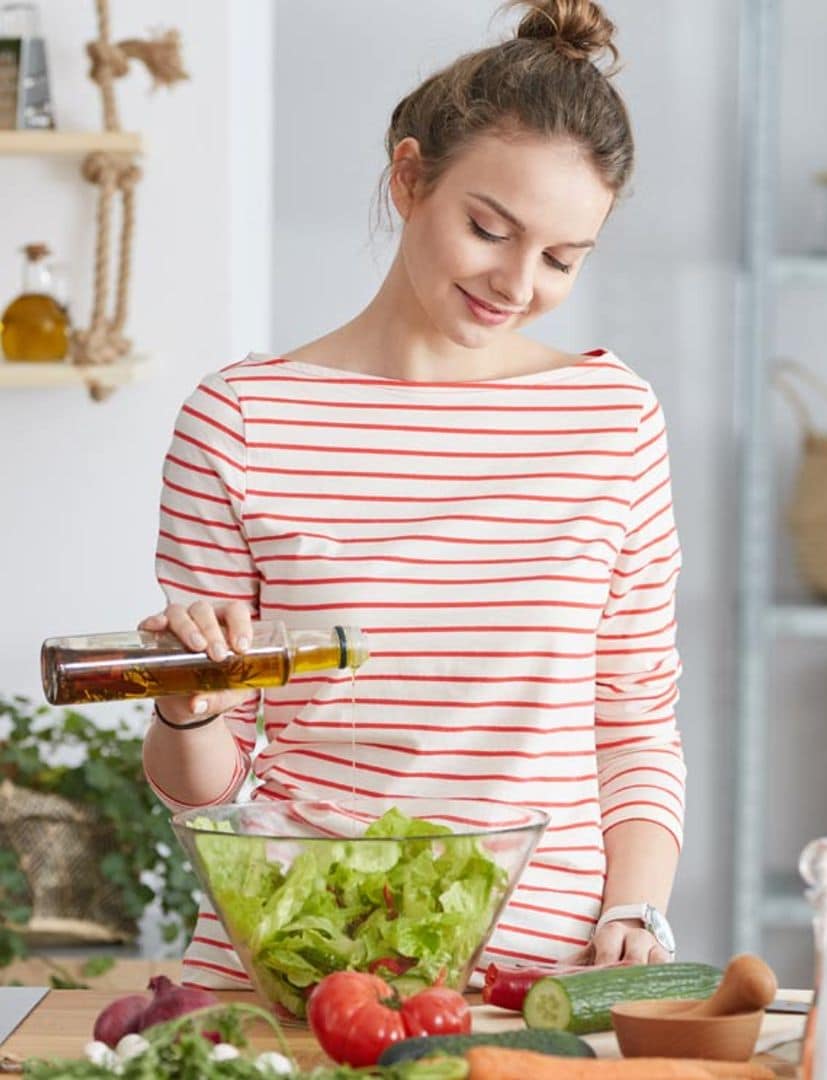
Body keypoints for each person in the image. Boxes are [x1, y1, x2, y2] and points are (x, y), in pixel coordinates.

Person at [141, 0, 686, 990]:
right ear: (408, 178)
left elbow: (636, 718)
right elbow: (209, 792)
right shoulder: (243, 422)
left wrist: (634, 909)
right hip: (302, 967)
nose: (518, 283)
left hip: (537, 993)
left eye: (563, 259)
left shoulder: (613, 418)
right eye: (490, 228)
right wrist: (184, 704)